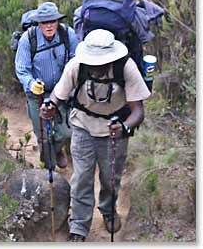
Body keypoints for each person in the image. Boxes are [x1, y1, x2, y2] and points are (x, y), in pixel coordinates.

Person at [40, 29, 151, 241]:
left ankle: (108, 211)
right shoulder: (77, 65)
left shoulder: (125, 67)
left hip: (114, 131)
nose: (96, 67)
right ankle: (79, 227)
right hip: (83, 127)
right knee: (82, 178)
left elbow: (138, 111)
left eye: (100, 63)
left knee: (110, 178)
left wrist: (125, 128)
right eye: (92, 63)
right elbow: (58, 95)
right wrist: (50, 106)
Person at [15, 2, 78, 169]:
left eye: (52, 21)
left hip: (61, 91)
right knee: (43, 135)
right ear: (38, 23)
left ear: (58, 21)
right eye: (44, 22)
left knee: (66, 131)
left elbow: (76, 60)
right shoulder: (28, 40)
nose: (49, 25)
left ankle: (57, 150)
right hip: (37, 94)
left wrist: (70, 83)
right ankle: (48, 164)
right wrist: (31, 83)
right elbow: (22, 69)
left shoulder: (67, 34)